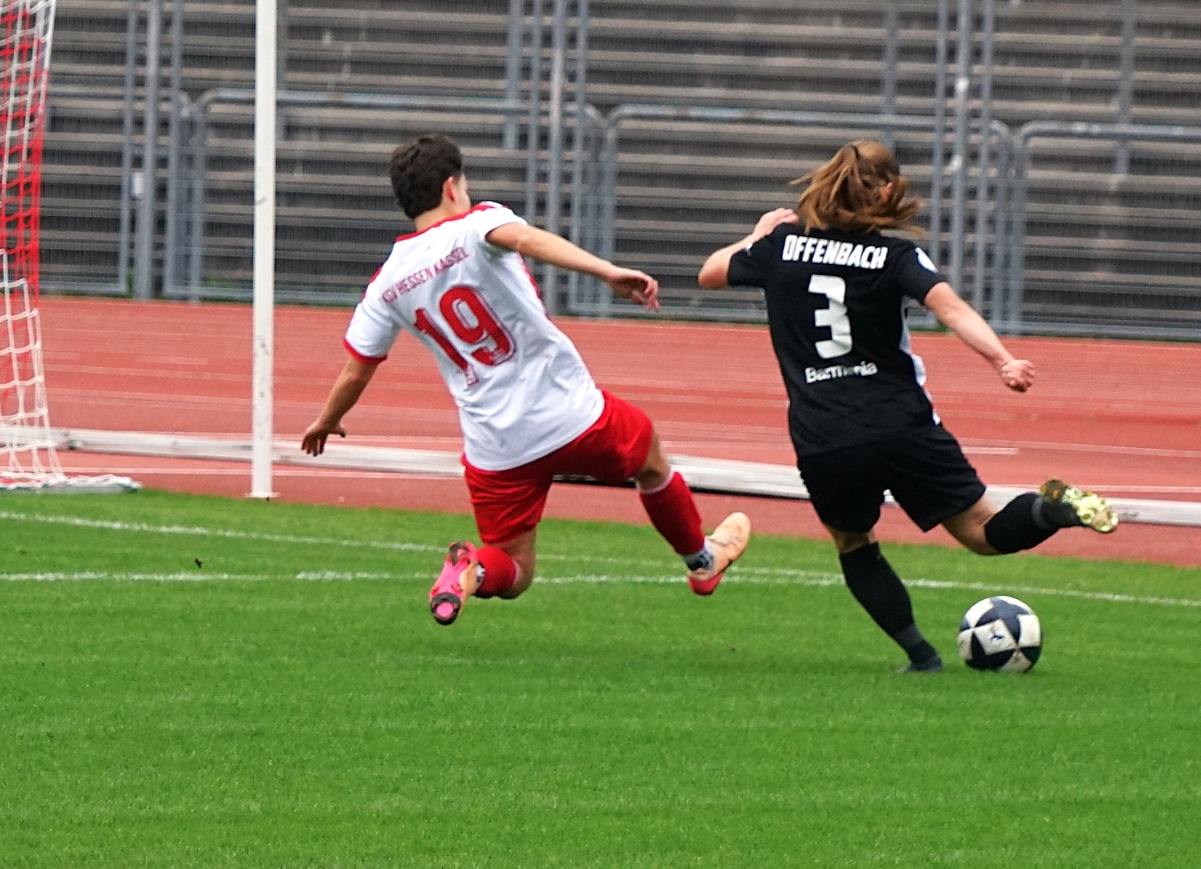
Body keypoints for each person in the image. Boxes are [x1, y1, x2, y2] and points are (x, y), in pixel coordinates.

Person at [697, 140, 1116, 673]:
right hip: (900, 422)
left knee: (853, 542)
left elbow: (710, 273)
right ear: (888, 191)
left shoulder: (779, 247)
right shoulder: (894, 256)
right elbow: (951, 308)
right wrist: (1003, 361)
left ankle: (921, 656)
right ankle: (1050, 509)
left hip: (824, 434)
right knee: (982, 532)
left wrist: (756, 236)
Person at [302, 134, 751, 626]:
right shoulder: (477, 224)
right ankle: (701, 561)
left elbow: (357, 367)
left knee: (513, 568)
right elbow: (526, 239)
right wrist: (605, 271)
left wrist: (327, 420)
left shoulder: (387, 283)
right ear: (451, 186)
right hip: (569, 415)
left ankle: (472, 571)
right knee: (650, 461)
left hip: (495, 446)